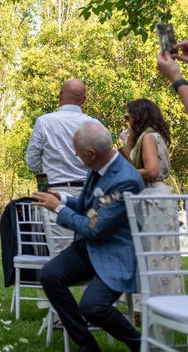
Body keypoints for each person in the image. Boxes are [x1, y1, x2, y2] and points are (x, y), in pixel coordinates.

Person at [32, 122, 144, 352]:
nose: (75, 154)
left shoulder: (126, 180)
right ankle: (87, 345)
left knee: (92, 306)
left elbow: (94, 226)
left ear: (91, 154)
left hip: (115, 253)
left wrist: (58, 210)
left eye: (77, 151)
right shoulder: (98, 168)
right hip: (88, 248)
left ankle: (141, 344)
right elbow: (90, 207)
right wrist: (62, 199)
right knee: (50, 275)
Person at [120, 99, 184, 307]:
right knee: (156, 253)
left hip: (154, 199)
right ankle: (153, 305)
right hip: (156, 197)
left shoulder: (148, 137)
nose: (126, 121)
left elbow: (152, 171)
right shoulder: (150, 136)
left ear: (138, 116)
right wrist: (128, 145)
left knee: (155, 253)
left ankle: (157, 305)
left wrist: (123, 175)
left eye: (128, 116)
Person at [25, 79, 99, 254]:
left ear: (60, 96)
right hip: (89, 195)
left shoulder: (44, 122)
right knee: (91, 254)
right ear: (84, 99)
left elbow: (32, 161)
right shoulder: (94, 124)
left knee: (61, 254)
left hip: (56, 194)